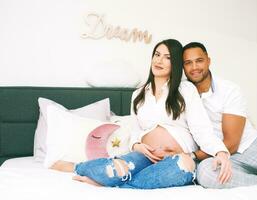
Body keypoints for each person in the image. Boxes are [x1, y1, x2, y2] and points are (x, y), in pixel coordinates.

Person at [51, 39, 231, 189]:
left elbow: (202, 130)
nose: (159, 60)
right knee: (115, 168)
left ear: (175, 63)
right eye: (157, 54)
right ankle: (78, 167)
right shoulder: (138, 94)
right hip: (144, 156)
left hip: (175, 160)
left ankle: (111, 183)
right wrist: (137, 145)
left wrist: (221, 152)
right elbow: (135, 130)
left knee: (184, 167)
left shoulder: (186, 90)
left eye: (167, 57)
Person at [182, 42, 257, 188]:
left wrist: (193, 155)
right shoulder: (183, 94)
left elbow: (232, 144)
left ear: (208, 61)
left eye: (199, 61)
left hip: (251, 145)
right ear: (183, 67)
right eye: (188, 63)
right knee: (205, 173)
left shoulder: (229, 89)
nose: (194, 67)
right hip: (222, 157)